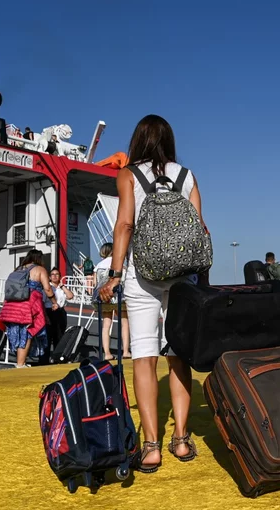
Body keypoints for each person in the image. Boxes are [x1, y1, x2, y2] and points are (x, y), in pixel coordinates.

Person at [99, 114, 206, 473]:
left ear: (138, 141)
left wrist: (115, 275)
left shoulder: (128, 175)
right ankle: (182, 438)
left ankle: (150, 447)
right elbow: (199, 228)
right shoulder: (187, 176)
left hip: (141, 275)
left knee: (144, 356)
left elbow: (125, 224)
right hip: (182, 276)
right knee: (178, 356)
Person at [0, 250, 56, 368]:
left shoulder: (17, 269)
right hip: (29, 305)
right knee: (28, 332)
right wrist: (54, 302)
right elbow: (48, 289)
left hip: (12, 305)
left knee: (18, 332)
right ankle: (20, 364)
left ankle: (21, 362)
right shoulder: (40, 269)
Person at [94, 243, 130, 361]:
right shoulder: (120, 265)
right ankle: (125, 351)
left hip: (104, 296)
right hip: (119, 296)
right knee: (124, 322)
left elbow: (95, 284)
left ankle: (107, 353)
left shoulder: (98, 266)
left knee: (106, 325)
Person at [46, 267, 74, 352]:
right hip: (49, 311)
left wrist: (62, 286)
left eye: (57, 274)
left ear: (60, 276)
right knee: (47, 337)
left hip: (60, 312)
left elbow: (70, 296)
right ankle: (45, 358)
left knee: (59, 337)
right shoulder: (47, 287)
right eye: (52, 274)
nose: (54, 276)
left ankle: (56, 356)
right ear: (49, 277)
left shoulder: (62, 288)